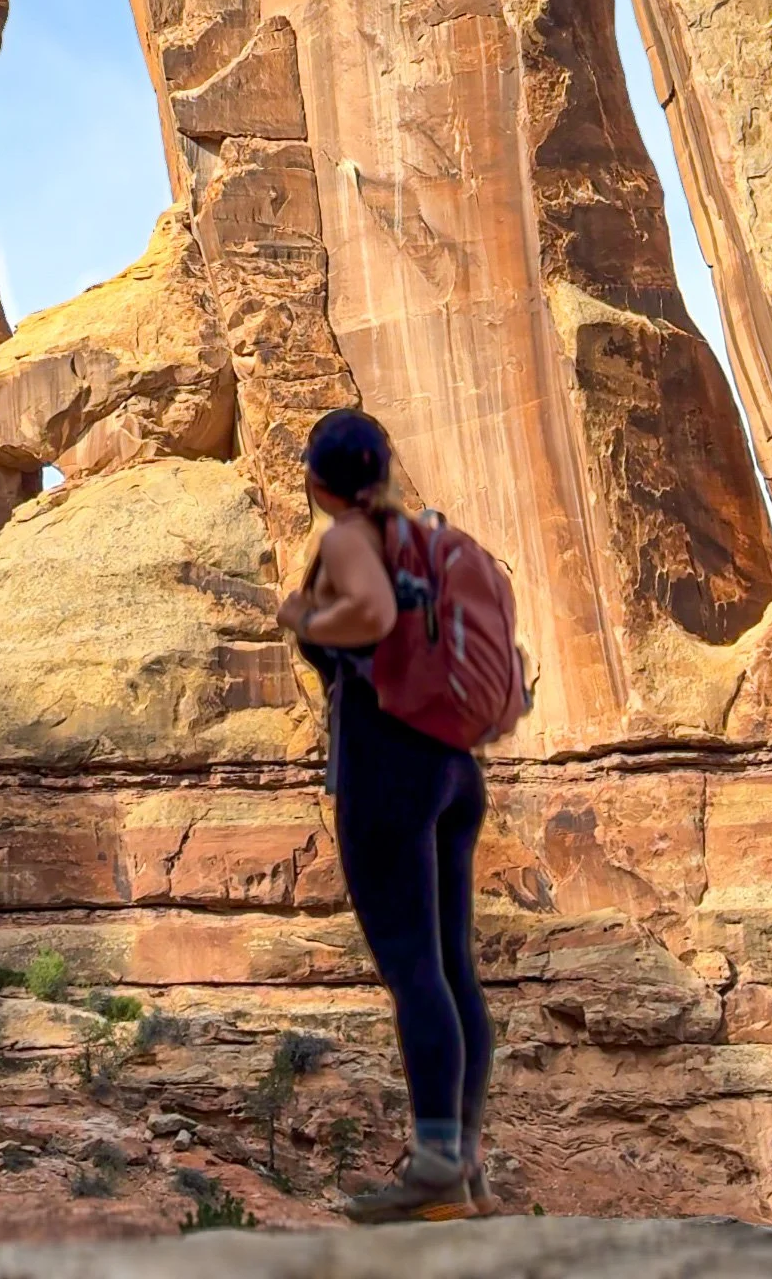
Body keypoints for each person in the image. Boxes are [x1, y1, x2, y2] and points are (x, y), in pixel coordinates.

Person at [276, 407, 498, 1224]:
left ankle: (438, 1171)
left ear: (318, 477)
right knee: (452, 969)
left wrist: (303, 618)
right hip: (452, 770)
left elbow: (364, 620)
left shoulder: (348, 541)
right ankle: (463, 1168)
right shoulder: (429, 542)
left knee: (413, 973)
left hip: (388, 776)